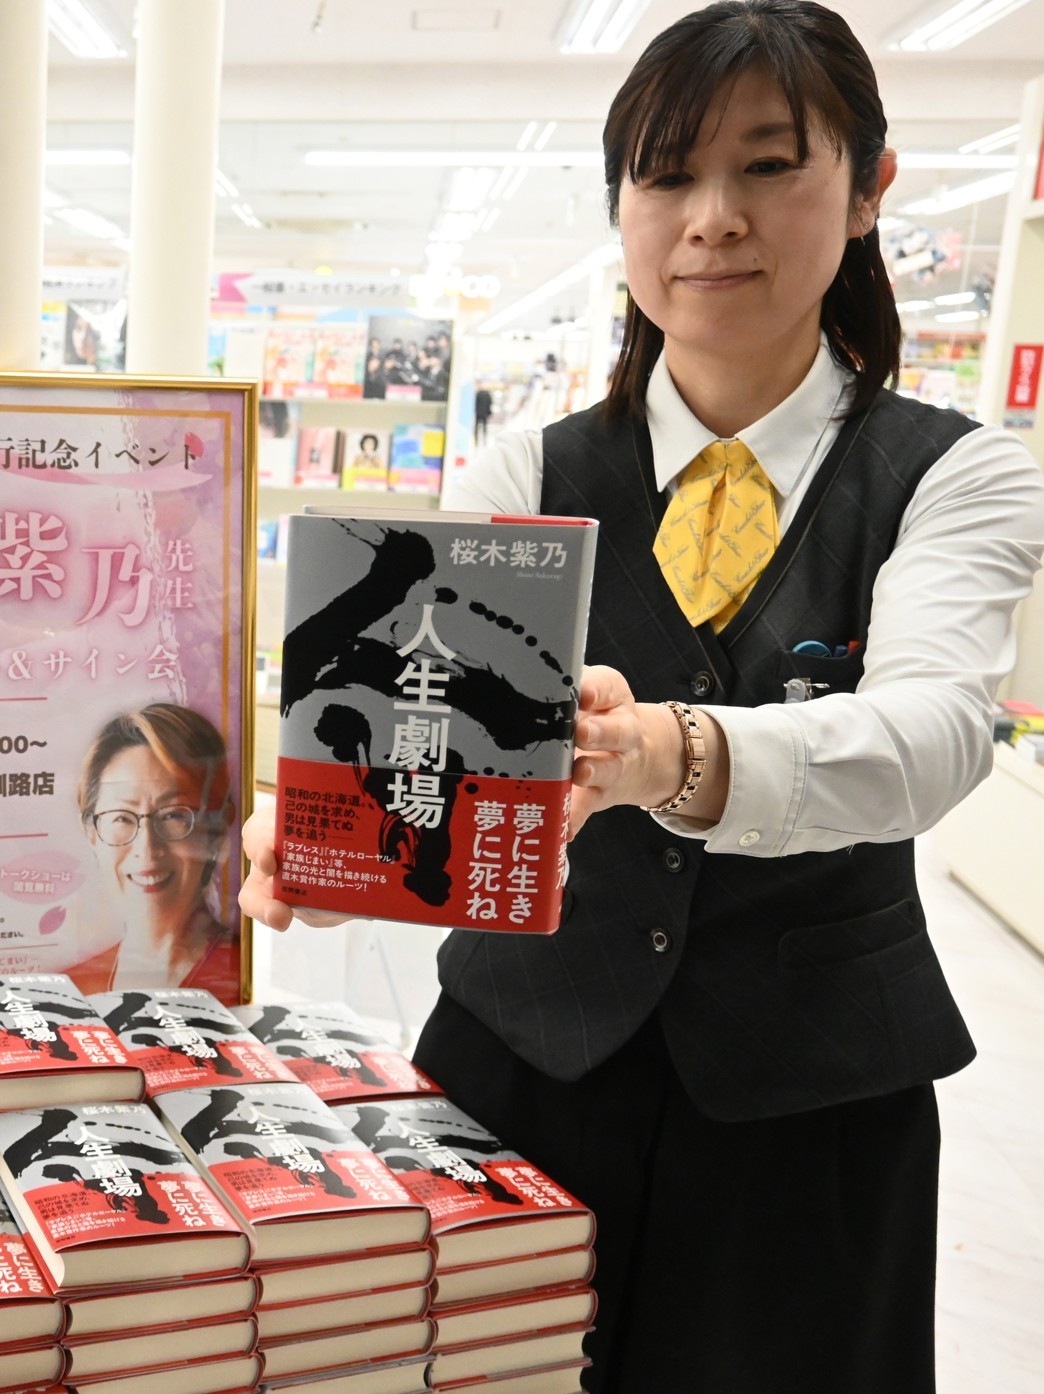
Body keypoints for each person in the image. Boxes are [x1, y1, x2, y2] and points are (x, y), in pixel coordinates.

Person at [240, 4, 1044, 1392]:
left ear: (868, 188)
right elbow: (432, 737)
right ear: (620, 205)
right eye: (667, 174)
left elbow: (928, 738)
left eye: (768, 165)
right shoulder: (527, 472)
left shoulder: (952, 474)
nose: (712, 218)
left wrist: (674, 750)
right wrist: (327, 838)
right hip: (519, 1066)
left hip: (811, 1108)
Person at [72, 703, 238, 995]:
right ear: (91, 833)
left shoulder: (246, 977)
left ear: (218, 826)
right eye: (122, 818)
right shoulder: (71, 989)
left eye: (173, 815)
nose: (147, 849)